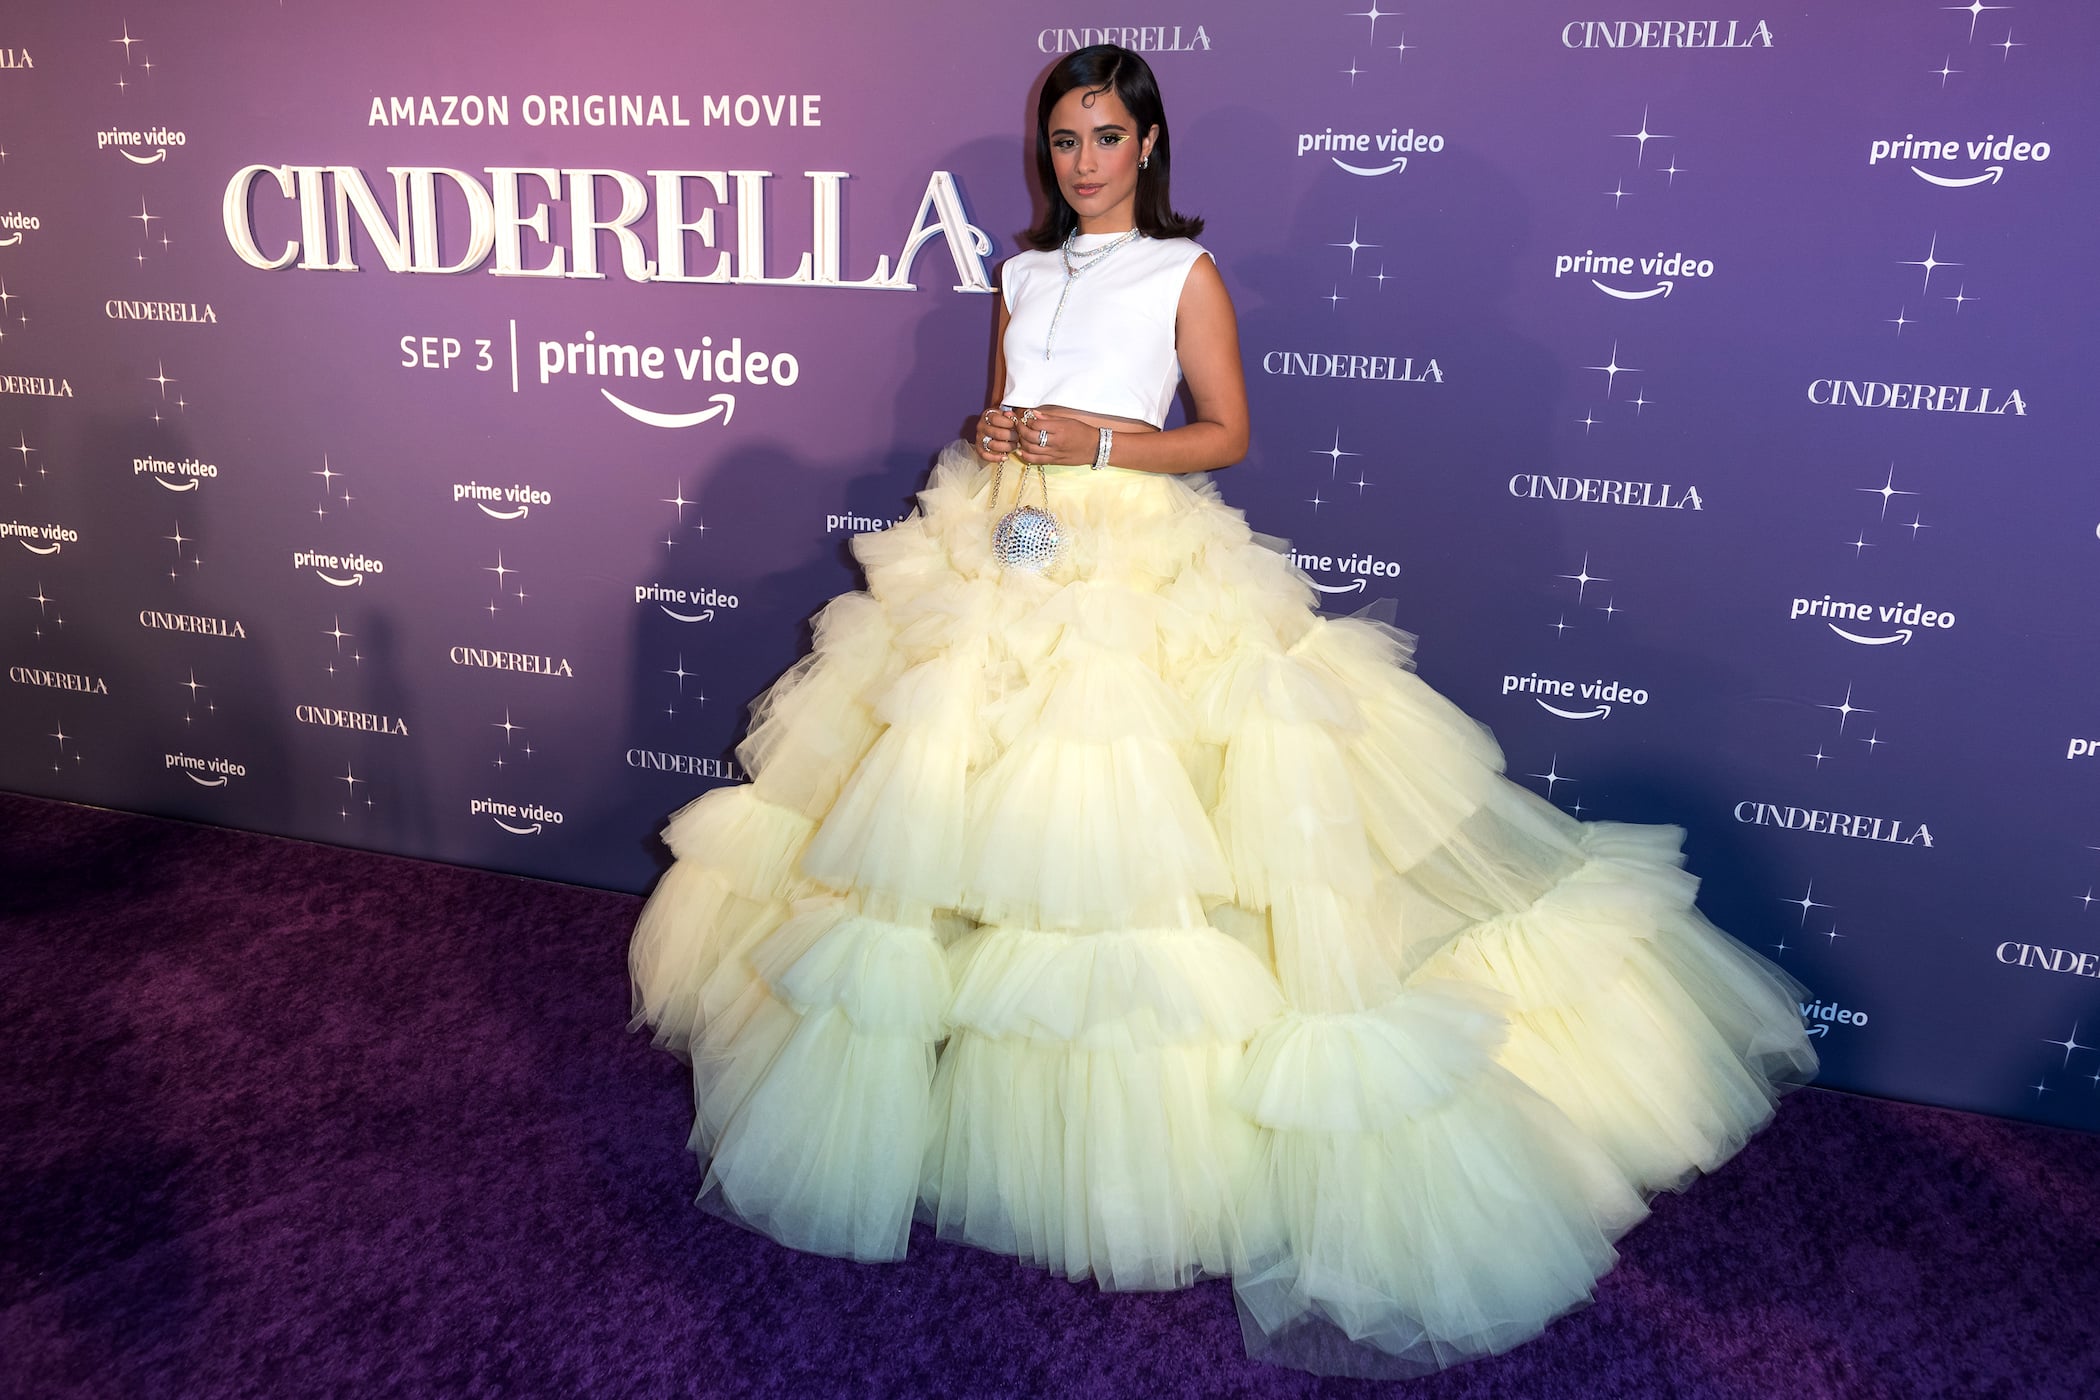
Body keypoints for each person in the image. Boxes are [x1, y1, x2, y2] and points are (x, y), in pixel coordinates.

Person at [628, 44, 1816, 1378]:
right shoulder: (1022, 275)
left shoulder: (1182, 272)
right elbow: (1007, 405)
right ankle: (967, 1090)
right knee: (951, 816)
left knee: (1133, 826)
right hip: (996, 551)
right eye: (1063, 139)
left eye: (1105, 137)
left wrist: (1092, 442)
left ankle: (1148, 1127)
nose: (1083, 162)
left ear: (1148, 144)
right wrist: (1000, 432)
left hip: (1136, 563)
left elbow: (1224, 431)